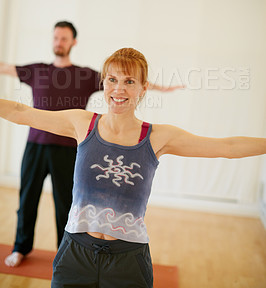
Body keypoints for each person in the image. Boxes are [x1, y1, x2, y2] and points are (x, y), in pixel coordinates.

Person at [0, 47, 265, 288]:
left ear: (143, 88)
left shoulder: (158, 136)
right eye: (112, 80)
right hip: (74, 254)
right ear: (103, 83)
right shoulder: (82, 123)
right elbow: (20, 112)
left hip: (128, 261)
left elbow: (228, 147)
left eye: (129, 81)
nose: (119, 89)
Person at [0, 26, 184, 268]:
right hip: (36, 146)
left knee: (65, 203)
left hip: (68, 149)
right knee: (27, 199)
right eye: (55, 37)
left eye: (64, 37)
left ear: (73, 42)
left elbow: (125, 81)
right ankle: (20, 247)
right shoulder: (37, 70)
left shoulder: (85, 75)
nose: (59, 41)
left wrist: (163, 88)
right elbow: (5, 70)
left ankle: (64, 249)